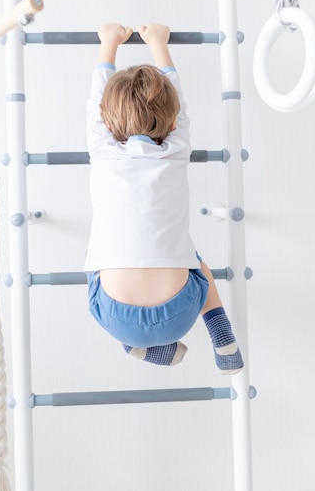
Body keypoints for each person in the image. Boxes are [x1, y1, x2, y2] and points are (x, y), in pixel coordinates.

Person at [84, 23, 243, 373]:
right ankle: (223, 338)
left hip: (116, 318)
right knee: (196, 262)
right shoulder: (176, 150)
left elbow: (97, 102)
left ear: (107, 124)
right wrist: (159, 43)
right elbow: (179, 104)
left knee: (98, 265)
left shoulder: (102, 150)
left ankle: (136, 347)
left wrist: (108, 43)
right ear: (172, 125)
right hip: (182, 311)